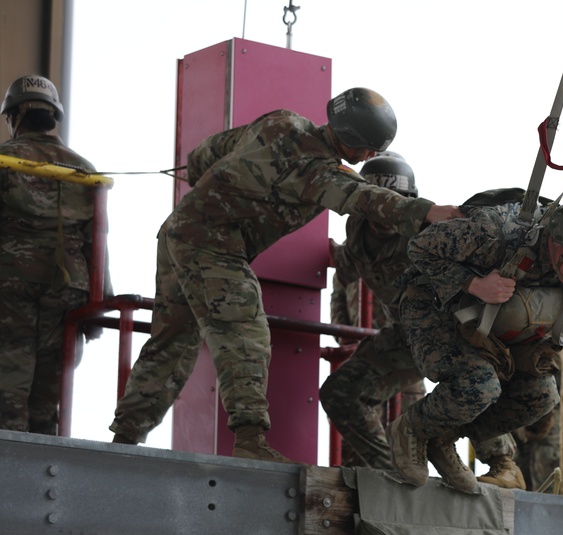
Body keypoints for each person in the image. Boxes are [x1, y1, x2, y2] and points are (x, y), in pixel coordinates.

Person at [108, 88, 462, 462]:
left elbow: (209, 152)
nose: (371, 157)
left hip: (178, 231)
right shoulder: (318, 173)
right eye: (370, 149)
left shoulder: (282, 121)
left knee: (172, 341)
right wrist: (426, 212)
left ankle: (126, 438)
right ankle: (249, 439)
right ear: (356, 144)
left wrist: (210, 181)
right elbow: (364, 198)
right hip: (213, 244)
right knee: (246, 332)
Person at [389, 195, 563, 493]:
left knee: (540, 396)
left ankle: (442, 437)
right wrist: (474, 284)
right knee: (479, 385)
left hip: (484, 323)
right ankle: (411, 428)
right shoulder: (495, 231)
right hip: (432, 306)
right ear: (558, 239)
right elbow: (419, 248)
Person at [0, 75, 110, 434]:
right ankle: (43, 448)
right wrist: (99, 306)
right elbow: (98, 239)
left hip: (11, 281)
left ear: (14, 116)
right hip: (67, 286)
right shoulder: (84, 169)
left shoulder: (5, 159)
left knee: (8, 378)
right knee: (49, 385)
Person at [320, 153, 428, 470]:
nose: (384, 212)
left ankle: (497, 457)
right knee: (346, 401)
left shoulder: (425, 235)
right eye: (375, 202)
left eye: (392, 202)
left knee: (412, 429)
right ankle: (385, 475)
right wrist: (344, 339)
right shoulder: (357, 237)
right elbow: (341, 284)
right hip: (391, 341)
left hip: (430, 344)